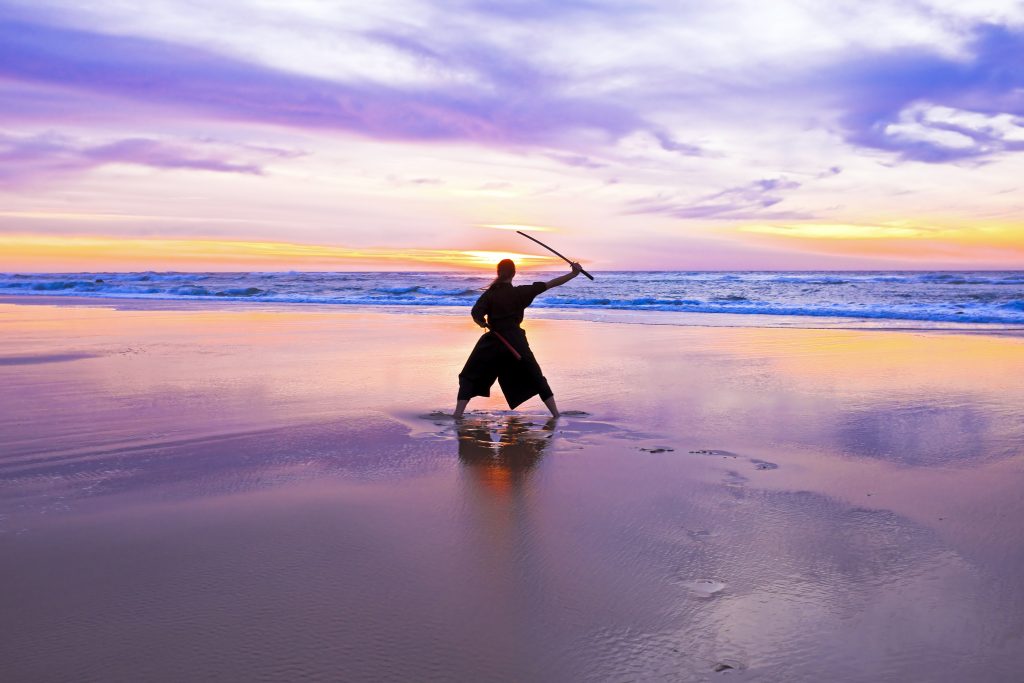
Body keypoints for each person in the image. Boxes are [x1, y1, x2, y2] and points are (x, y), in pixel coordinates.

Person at [454, 258, 582, 419]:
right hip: (516, 341)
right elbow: (551, 284)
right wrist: (573, 274)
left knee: (469, 375)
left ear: (498, 272)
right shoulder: (521, 292)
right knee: (536, 376)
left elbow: (476, 314)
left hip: (493, 341)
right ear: (514, 273)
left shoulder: (490, 294)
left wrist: (482, 323)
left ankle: (457, 414)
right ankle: (556, 414)